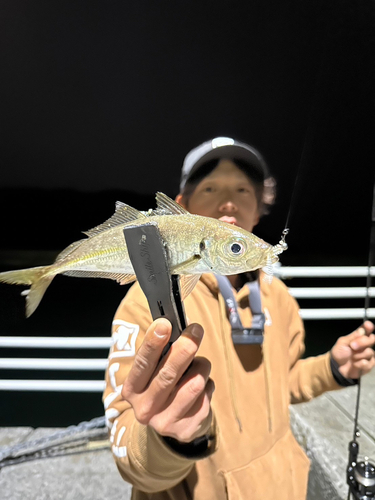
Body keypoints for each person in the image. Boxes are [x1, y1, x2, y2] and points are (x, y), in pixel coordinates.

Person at [103, 137, 375, 500]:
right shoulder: (146, 302)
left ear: (259, 211)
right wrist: (169, 438)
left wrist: (333, 368)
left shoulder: (279, 298)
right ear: (181, 208)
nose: (228, 201)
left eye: (244, 189)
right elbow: (128, 451)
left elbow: (285, 382)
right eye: (211, 187)